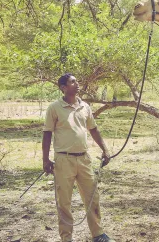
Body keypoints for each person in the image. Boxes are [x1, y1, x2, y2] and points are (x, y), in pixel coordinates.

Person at [42, 73, 115, 242]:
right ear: (63, 88)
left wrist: (105, 149)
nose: (77, 84)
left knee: (92, 196)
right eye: (72, 82)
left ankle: (98, 234)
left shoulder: (85, 107)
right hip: (63, 160)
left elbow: (93, 129)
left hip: (84, 159)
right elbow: (46, 134)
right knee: (64, 202)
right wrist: (45, 160)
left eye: (77, 81)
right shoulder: (54, 108)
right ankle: (66, 238)